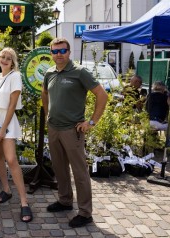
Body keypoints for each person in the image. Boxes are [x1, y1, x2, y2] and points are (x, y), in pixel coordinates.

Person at [41, 38, 108, 228]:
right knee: (59, 168)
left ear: (69, 52)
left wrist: (92, 122)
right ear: (51, 53)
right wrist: (47, 115)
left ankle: (85, 213)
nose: (58, 54)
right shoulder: (49, 72)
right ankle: (65, 201)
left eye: (62, 51)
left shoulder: (79, 72)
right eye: (55, 51)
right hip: (54, 128)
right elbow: (44, 94)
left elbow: (102, 95)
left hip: (73, 130)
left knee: (79, 172)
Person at [0, 47, 33, 223]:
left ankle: (24, 202)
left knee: (11, 159)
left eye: (9, 58)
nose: (5, 60)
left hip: (6, 121)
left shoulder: (15, 76)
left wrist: (3, 128)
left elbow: (12, 105)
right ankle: (6, 190)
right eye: (3, 57)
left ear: (13, 62)